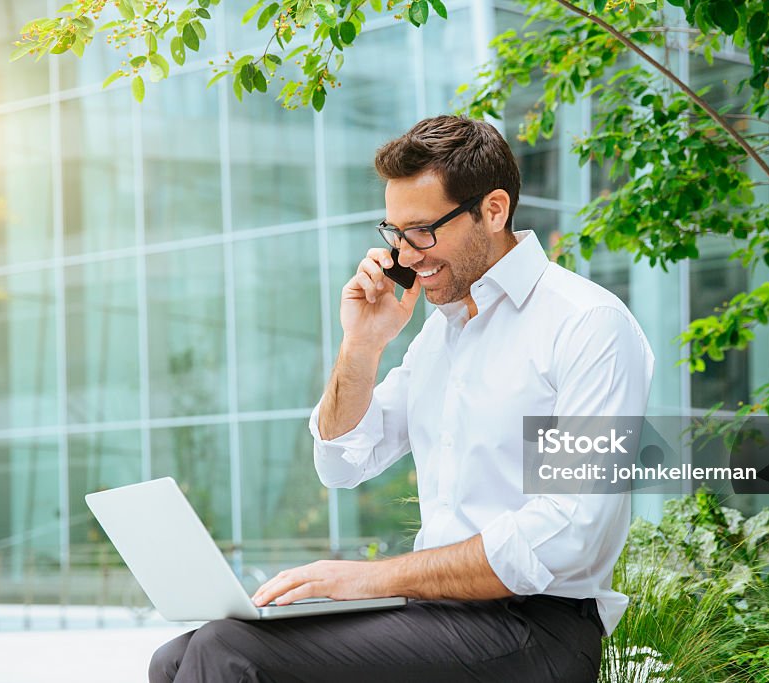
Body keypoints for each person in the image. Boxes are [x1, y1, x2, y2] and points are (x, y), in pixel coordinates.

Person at [149, 115, 654, 682]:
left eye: (422, 230)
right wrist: (362, 345)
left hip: (539, 627)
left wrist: (371, 578)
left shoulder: (585, 324)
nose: (406, 255)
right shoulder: (442, 333)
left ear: (493, 210)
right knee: (173, 658)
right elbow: (342, 462)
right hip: (434, 615)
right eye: (394, 232)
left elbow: (568, 530)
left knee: (228, 650)